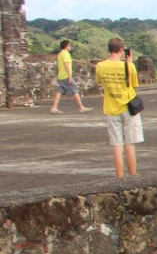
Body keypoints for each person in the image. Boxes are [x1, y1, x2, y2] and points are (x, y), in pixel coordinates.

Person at [95, 38, 141, 177]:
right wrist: (129, 64)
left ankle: (119, 178)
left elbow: (99, 82)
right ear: (122, 50)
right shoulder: (129, 67)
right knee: (130, 145)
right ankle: (132, 176)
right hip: (129, 108)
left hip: (111, 108)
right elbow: (134, 85)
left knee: (117, 146)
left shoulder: (100, 66)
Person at [50, 39, 91, 113]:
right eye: (69, 45)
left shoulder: (60, 54)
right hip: (66, 76)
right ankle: (81, 107)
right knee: (75, 91)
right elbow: (66, 65)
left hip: (61, 76)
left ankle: (54, 107)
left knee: (59, 92)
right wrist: (69, 76)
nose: (70, 47)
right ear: (67, 46)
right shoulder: (66, 54)